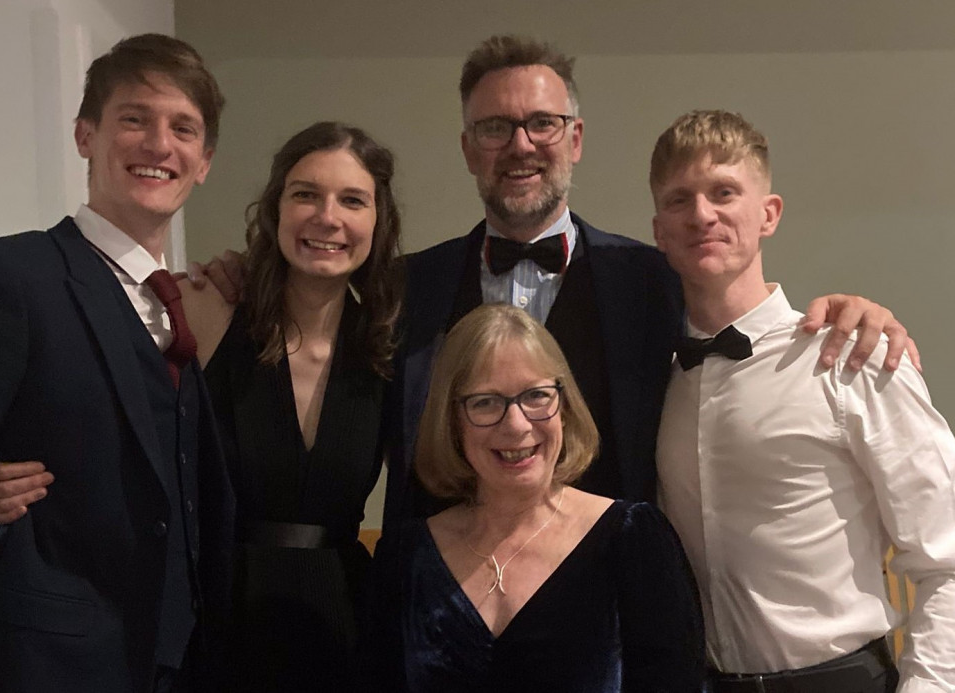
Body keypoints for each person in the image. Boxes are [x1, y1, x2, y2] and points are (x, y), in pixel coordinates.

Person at [381, 34, 915, 528]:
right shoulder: (408, 287)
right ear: (469, 149)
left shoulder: (655, 278)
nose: (521, 144)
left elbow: (740, 315)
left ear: (575, 139)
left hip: (612, 601)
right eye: (495, 127)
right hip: (441, 599)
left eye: (543, 122)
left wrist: (859, 313)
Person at [0, 34, 234, 693]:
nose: (158, 144)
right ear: (85, 134)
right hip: (47, 666)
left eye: (183, 128)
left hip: (181, 659)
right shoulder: (9, 274)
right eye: (133, 118)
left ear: (204, 162)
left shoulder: (191, 306)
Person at [651, 110, 955, 692]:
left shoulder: (854, 356)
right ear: (660, 230)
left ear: (768, 214)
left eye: (724, 192)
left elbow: (945, 557)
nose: (702, 214)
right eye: (679, 199)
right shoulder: (652, 382)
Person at [364, 303, 705, 692]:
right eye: (484, 402)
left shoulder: (633, 539)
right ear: (452, 419)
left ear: (565, 406)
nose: (516, 424)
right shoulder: (406, 557)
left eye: (536, 396)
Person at [181, 121, 402, 691]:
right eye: (305, 193)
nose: (327, 218)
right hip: (214, 614)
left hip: (346, 622)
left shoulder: (390, 348)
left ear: (377, 223)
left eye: (352, 200)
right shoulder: (206, 311)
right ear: (275, 208)